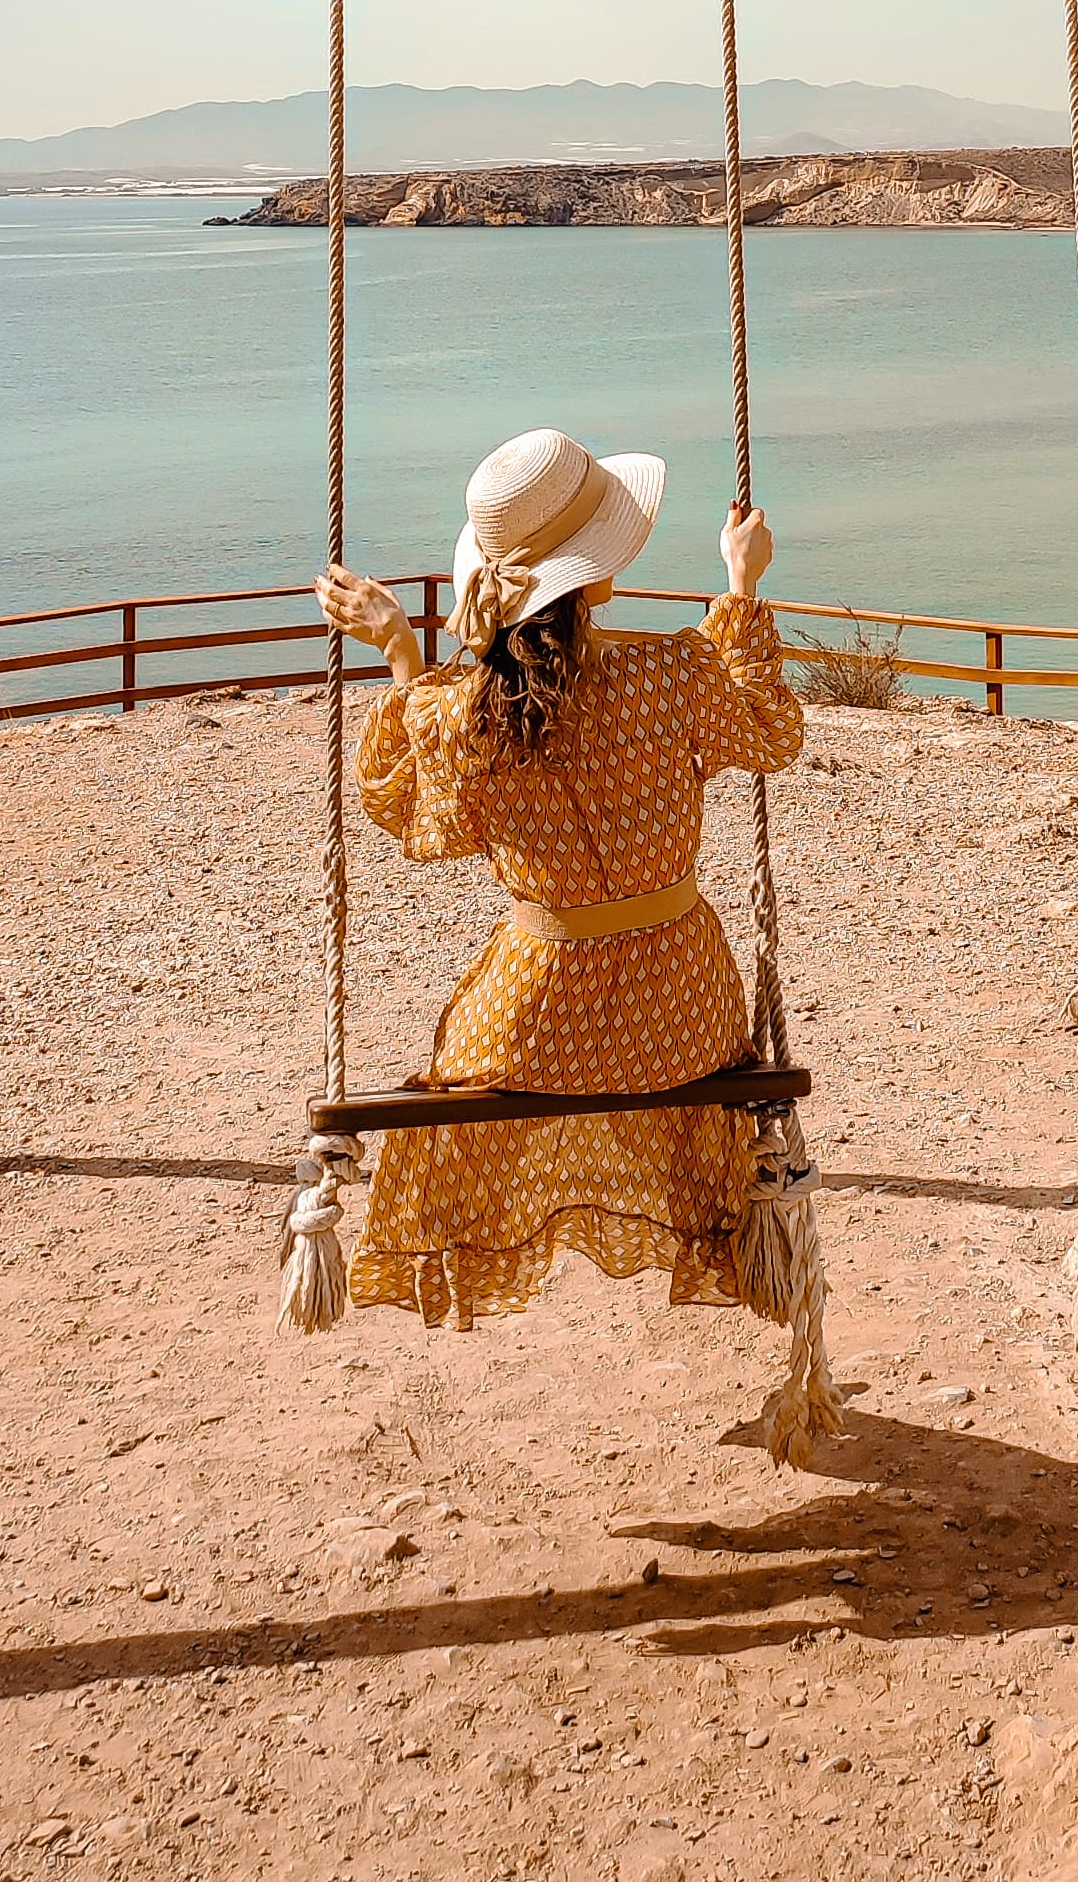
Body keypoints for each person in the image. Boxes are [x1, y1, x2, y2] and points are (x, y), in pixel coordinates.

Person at [315, 424, 802, 1329]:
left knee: (454, 1073)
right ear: (600, 572)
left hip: (531, 1025)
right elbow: (773, 733)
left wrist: (400, 651)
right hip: (681, 1012)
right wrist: (741, 585)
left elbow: (420, 819)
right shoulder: (674, 670)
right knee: (689, 1064)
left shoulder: (466, 716)